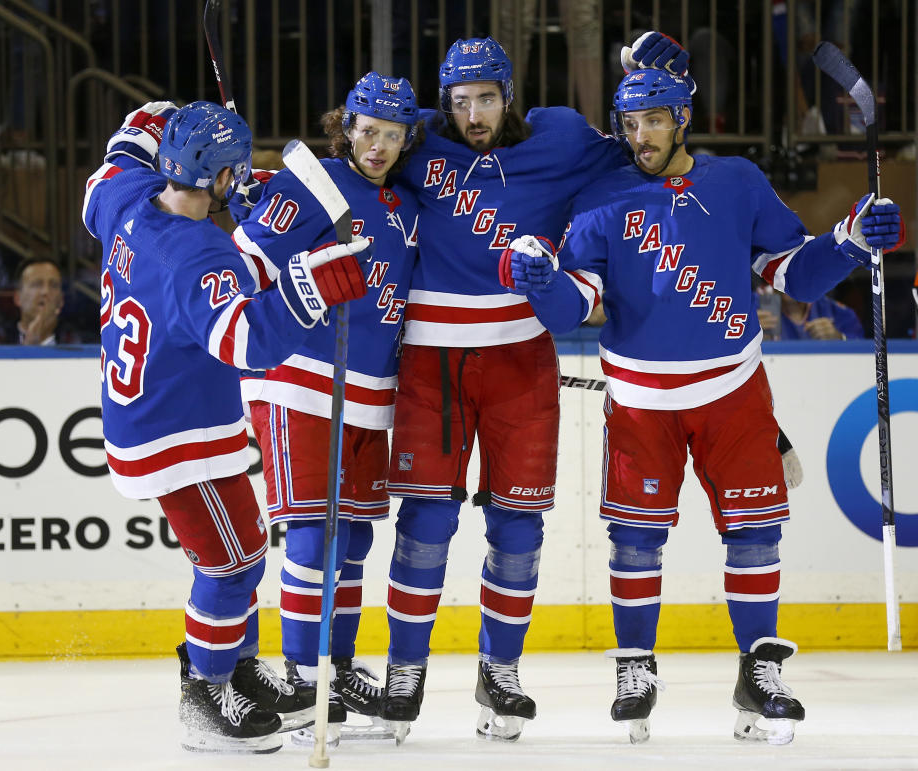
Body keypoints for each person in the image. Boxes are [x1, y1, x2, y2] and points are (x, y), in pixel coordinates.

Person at [503, 69, 903, 744]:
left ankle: (759, 670)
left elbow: (792, 272)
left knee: (755, 533)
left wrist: (850, 240)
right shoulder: (603, 193)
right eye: (629, 124)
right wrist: (542, 285)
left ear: (682, 118)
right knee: (635, 538)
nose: (639, 137)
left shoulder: (737, 180)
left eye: (653, 121)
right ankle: (636, 667)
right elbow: (574, 303)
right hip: (639, 401)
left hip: (732, 391)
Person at [378, 33, 690, 742]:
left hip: (522, 355)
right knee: (426, 522)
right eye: (460, 102)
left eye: (486, 98)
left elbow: (645, 150)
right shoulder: (421, 137)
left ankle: (502, 669)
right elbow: (359, 153)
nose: (473, 114)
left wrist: (658, 86)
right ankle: (405, 668)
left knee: (518, 526)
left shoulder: (561, 137)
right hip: (432, 359)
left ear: (509, 94)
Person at [82, 100, 372, 753]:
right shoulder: (196, 257)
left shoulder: (128, 201)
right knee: (233, 559)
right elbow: (245, 337)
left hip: (162, 417)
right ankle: (204, 693)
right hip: (174, 435)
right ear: (218, 178)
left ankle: (233, 667)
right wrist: (313, 281)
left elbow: (115, 161)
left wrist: (154, 116)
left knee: (237, 551)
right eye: (236, 174)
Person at [230, 72, 421, 745]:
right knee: (313, 532)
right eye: (367, 131)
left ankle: (336, 668)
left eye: (391, 135)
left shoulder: (405, 201)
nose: (377, 145)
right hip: (300, 379)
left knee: (357, 537)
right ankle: (299, 677)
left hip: (370, 392)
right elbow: (243, 264)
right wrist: (248, 205)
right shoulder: (305, 184)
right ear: (346, 126)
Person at [757, 287, 864, 341]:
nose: (788, 280)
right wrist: (748, 331)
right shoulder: (752, 305)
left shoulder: (833, 310)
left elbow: (864, 351)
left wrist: (840, 338)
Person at [6, 257, 63, 345]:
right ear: (18, 298)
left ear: (61, 300)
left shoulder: (79, 340)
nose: (45, 291)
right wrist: (31, 346)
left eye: (54, 285)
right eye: (37, 284)